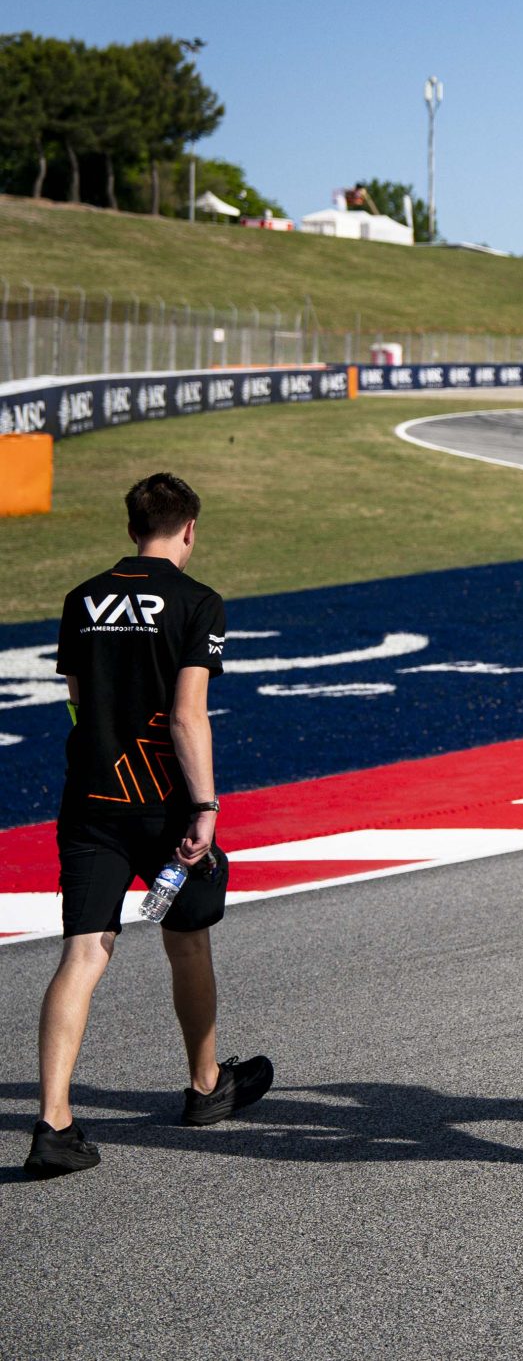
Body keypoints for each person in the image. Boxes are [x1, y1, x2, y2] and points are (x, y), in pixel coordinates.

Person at [27, 474, 271, 1178]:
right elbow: (189, 715)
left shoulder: (81, 599)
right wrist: (206, 807)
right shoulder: (198, 602)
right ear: (188, 528)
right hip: (165, 802)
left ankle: (53, 1121)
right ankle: (204, 1086)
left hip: (92, 798)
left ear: (132, 527)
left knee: (83, 953)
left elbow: (78, 701)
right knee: (186, 940)